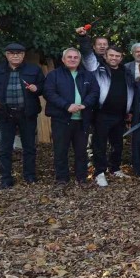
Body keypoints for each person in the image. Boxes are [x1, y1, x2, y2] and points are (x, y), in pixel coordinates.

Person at [0, 43, 45, 189]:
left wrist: (37, 88)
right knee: (5, 147)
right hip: (5, 114)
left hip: (27, 113)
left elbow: (44, 87)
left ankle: (29, 176)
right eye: (12, 53)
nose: (15, 55)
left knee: (29, 147)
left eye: (19, 53)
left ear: (23, 55)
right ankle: (6, 178)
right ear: (6, 55)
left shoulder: (34, 70)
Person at [81, 40, 134, 187]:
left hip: (120, 115)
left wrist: (130, 111)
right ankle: (99, 172)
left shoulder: (126, 72)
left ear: (121, 58)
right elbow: (87, 55)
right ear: (105, 56)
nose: (114, 58)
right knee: (100, 144)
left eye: (117, 56)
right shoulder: (98, 69)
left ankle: (115, 168)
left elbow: (131, 92)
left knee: (117, 144)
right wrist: (83, 38)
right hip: (102, 114)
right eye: (111, 55)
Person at [44, 48, 99, 188]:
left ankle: (82, 178)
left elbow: (95, 91)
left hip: (82, 119)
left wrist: (85, 104)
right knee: (61, 150)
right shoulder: (54, 75)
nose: (73, 59)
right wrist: (66, 105)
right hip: (61, 119)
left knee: (81, 151)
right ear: (63, 59)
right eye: (69, 57)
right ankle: (62, 178)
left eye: (76, 57)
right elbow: (49, 93)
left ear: (79, 60)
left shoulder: (87, 75)